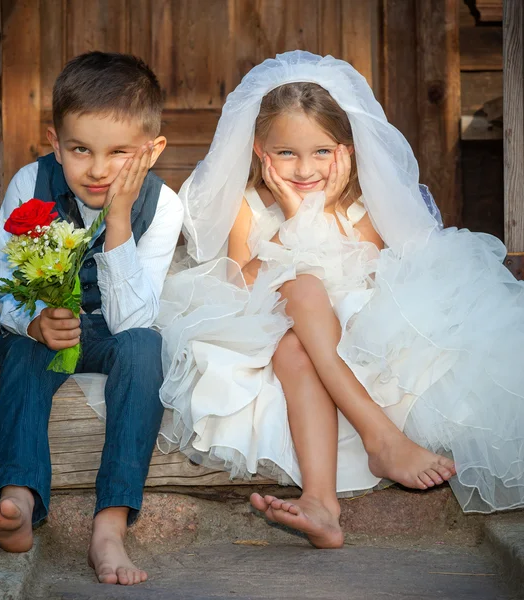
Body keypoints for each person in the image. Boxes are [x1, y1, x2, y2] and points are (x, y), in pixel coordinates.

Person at [156, 51, 524, 549]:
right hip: (263, 330)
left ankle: (332, 491)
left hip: (353, 333)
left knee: (301, 326)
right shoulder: (250, 206)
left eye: (322, 152)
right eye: (286, 153)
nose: (304, 168)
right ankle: (358, 463)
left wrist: (315, 222)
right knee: (296, 312)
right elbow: (237, 284)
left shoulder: (361, 206)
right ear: (260, 151)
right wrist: (291, 223)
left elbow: (372, 276)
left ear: (347, 150)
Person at [0, 52, 183, 585]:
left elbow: (133, 316)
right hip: (47, 330)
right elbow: (9, 288)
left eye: (119, 153)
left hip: (114, 334)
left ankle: (109, 527)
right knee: (22, 350)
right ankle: (18, 499)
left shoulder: (163, 206)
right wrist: (35, 322)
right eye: (80, 149)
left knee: (145, 347)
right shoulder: (29, 184)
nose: (97, 168)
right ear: (54, 141)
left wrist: (118, 219)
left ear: (152, 151)